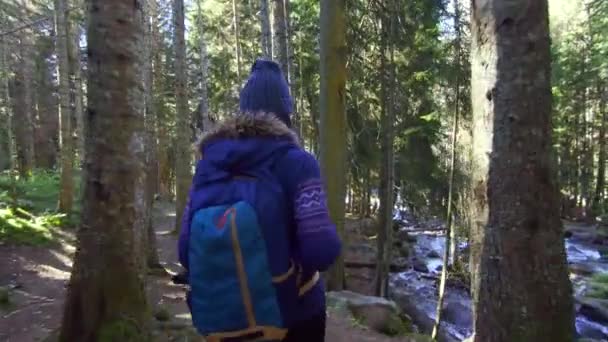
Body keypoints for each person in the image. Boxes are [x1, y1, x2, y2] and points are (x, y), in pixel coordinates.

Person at [177, 59, 341, 342]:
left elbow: (184, 250)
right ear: (286, 112)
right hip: (294, 316)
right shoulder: (298, 163)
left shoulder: (209, 164)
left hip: (224, 321)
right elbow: (322, 250)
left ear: (243, 109)